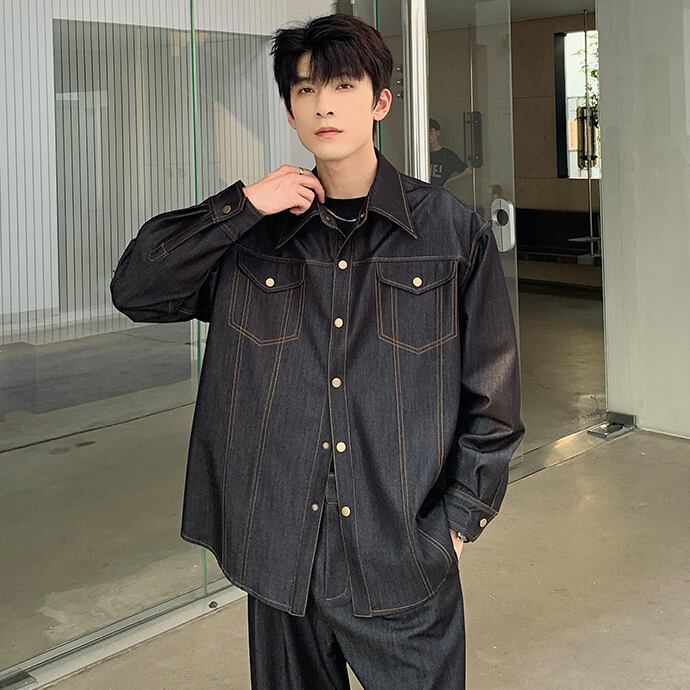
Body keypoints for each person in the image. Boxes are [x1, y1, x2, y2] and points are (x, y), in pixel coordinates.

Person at [110, 12, 524, 689]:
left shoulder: (450, 233)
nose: (323, 104)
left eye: (342, 85)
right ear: (291, 112)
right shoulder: (254, 236)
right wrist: (243, 205)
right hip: (280, 557)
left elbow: (493, 394)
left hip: (400, 559)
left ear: (380, 102)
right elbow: (137, 289)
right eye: (305, 90)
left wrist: (454, 524)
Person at [429, 118, 470, 187]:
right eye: (426, 131)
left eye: (431, 131)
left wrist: (447, 181)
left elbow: (467, 171)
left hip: (439, 191)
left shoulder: (447, 155)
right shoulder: (421, 155)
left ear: (437, 133)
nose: (428, 135)